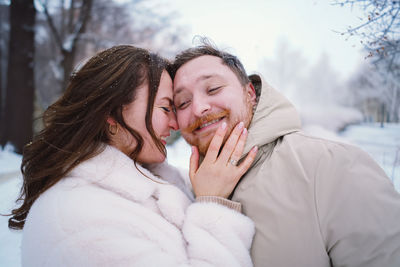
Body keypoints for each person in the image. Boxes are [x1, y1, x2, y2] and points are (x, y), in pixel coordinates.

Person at [8, 45, 258, 266]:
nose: (175, 123)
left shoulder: (152, 181)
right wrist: (212, 205)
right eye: (165, 107)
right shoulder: (78, 219)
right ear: (112, 114)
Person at [171, 41, 400, 267]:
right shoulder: (177, 195)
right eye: (182, 103)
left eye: (213, 89)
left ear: (250, 93)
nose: (198, 107)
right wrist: (209, 203)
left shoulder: (333, 165)